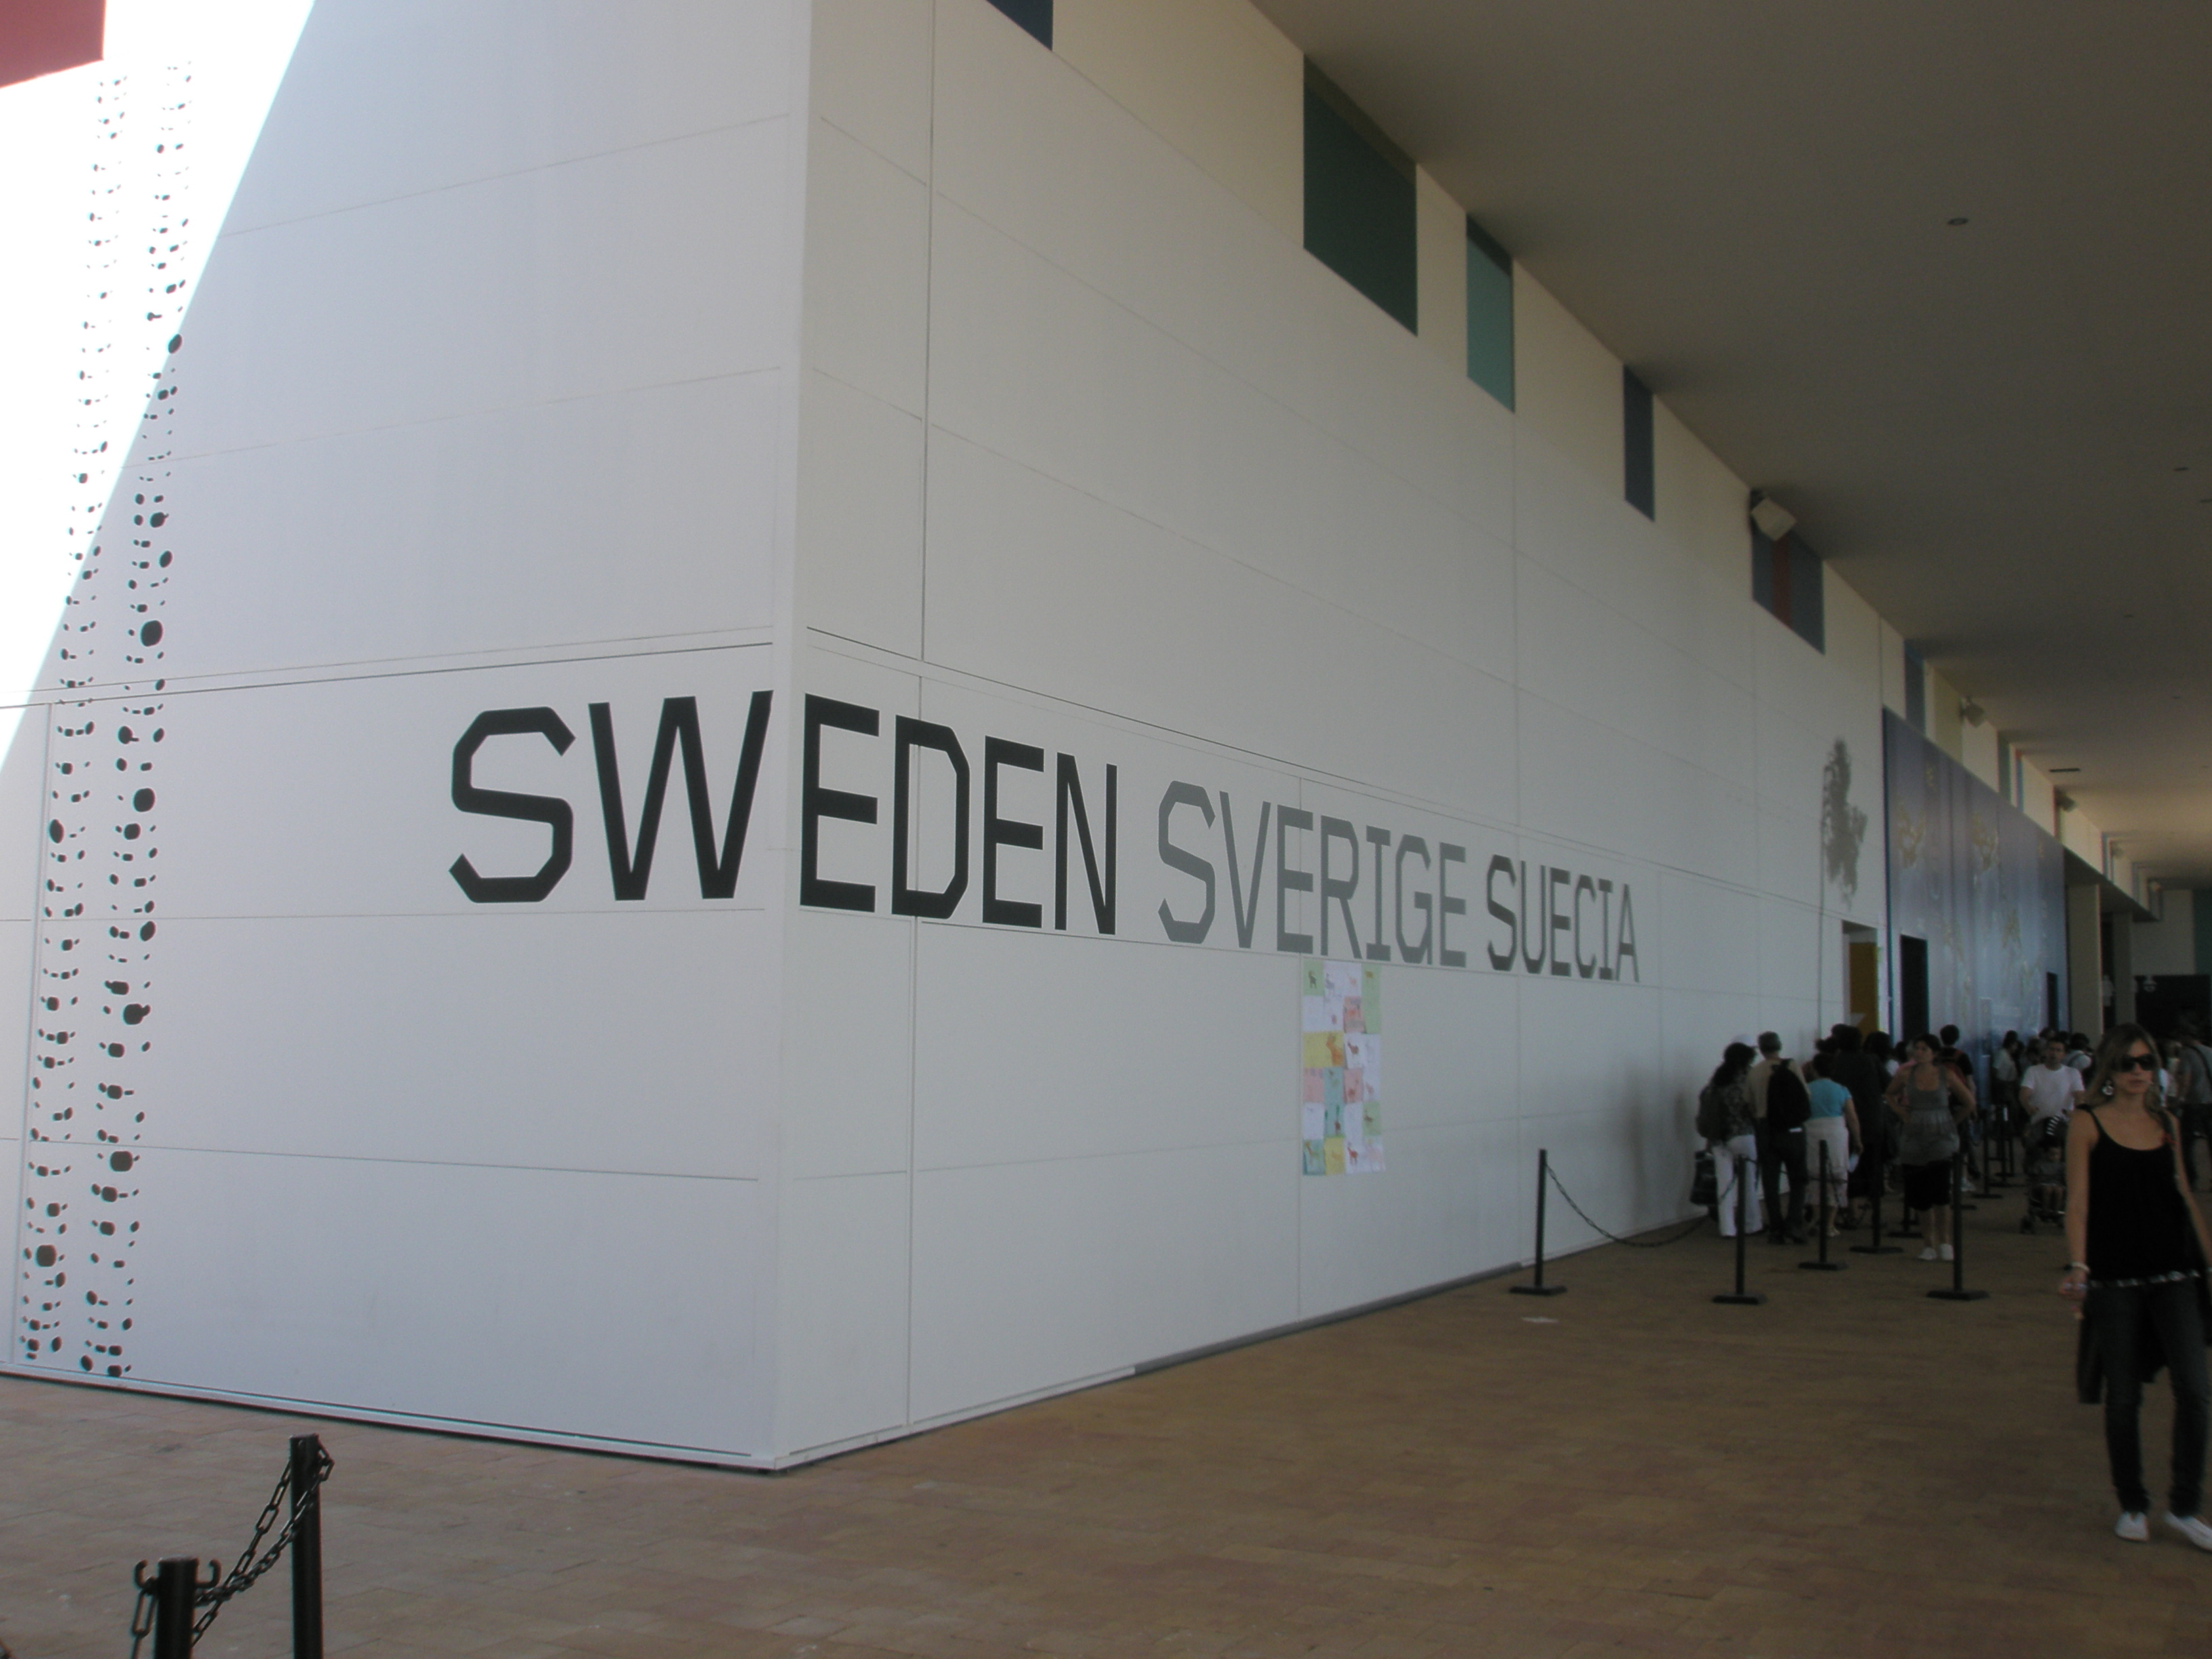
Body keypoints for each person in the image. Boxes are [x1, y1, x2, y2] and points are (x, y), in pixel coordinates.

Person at [2061, 1023, 2212, 1549]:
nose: (2138, 1072)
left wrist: (2209, 1264)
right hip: (2114, 1278)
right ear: (2110, 1068)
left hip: (2175, 1274)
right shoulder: (2087, 1122)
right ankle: (2133, 1503)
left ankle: (2185, 1505)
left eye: (2147, 1062)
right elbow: (2077, 1202)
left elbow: (2184, 1196)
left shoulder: (2167, 1122)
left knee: (2196, 1390)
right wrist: (2079, 1265)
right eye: (2127, 1063)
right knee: (2123, 1396)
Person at [1887, 1034, 1975, 1261]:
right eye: (1917, 1048)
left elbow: (1969, 1102)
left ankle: (1945, 1240)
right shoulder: (1905, 1074)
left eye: (1924, 1049)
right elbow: (1889, 1094)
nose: (1919, 1053)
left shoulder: (1947, 1075)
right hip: (1914, 1135)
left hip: (1941, 1137)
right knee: (1920, 1193)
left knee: (1940, 1190)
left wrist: (1952, 1122)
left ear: (1934, 1053)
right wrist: (1901, 1112)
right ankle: (1928, 1242)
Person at [1703, 1043, 1762, 1237]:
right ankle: (1751, 1224)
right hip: (1743, 1134)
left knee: (1724, 1184)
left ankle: (1727, 1228)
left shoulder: (1717, 1079)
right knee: (1748, 1181)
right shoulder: (1747, 1078)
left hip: (1719, 1138)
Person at [1804, 1055, 1862, 1235]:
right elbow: (1852, 1117)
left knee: (1814, 1175)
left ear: (1814, 1069)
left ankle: (1816, 1218)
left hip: (1812, 1132)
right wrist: (1858, 1140)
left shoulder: (1806, 1089)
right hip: (1836, 1134)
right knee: (1837, 1175)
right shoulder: (1841, 1089)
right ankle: (1829, 1224)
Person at [1762, 1053, 1812, 1245]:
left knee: (1771, 1184)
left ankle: (1776, 1228)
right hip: (1795, 1134)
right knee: (1798, 1181)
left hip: (1771, 1134)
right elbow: (1806, 1107)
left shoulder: (1766, 1080)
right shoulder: (1793, 1080)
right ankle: (1794, 1224)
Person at [2173, 1019, 2212, 1191]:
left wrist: (2179, 1099)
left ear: (2186, 1036)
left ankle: (2190, 1179)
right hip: (2211, 1103)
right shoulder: (2210, 1051)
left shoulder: (2187, 1054)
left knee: (2186, 1142)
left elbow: (2186, 1080)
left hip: (2194, 1104)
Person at [2022, 1036, 2087, 1129]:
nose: (2054, 1053)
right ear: (2045, 1051)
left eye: (2058, 1050)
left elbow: (2079, 1096)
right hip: (2039, 1123)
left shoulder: (2073, 1073)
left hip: (2063, 1123)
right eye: (2051, 1049)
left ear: (2064, 1054)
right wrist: (2028, 1107)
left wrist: (2077, 1112)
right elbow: (2024, 1093)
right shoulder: (2033, 1071)